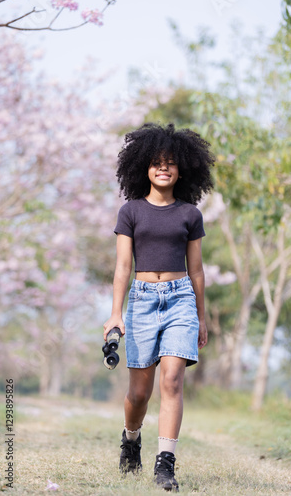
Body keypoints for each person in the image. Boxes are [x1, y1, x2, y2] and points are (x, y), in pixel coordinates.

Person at [103, 122, 214, 492]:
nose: (163, 168)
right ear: (144, 168)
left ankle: (165, 464)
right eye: (156, 162)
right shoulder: (130, 211)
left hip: (181, 297)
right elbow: (122, 267)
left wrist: (201, 316)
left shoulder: (190, 215)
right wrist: (116, 313)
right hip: (141, 301)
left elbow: (197, 270)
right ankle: (131, 439)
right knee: (139, 393)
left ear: (182, 168)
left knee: (172, 379)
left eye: (171, 162)